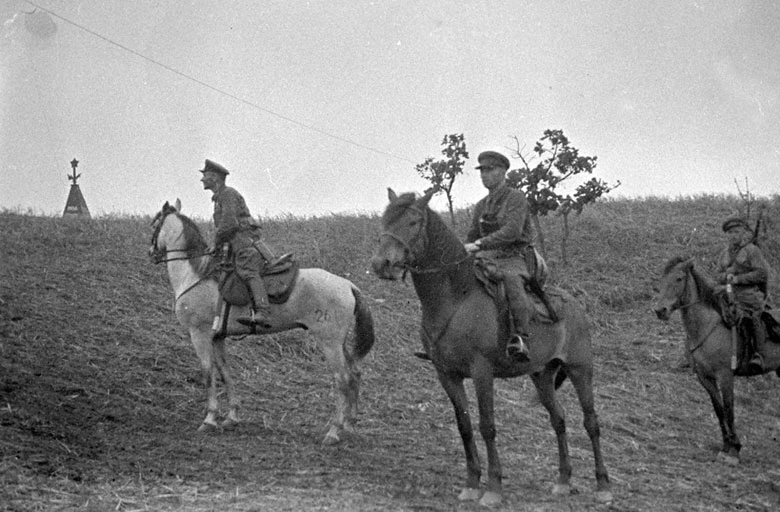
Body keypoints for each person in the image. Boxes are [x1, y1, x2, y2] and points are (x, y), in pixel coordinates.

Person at [464, 150, 542, 363]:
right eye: (482, 171)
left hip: (514, 256)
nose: (484, 175)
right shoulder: (481, 205)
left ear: (503, 172)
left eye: (490, 170)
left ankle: (521, 337)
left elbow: (512, 231)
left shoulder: (516, 198)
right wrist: (463, 249)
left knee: (511, 280)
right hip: (486, 256)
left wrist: (479, 244)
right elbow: (472, 235)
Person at [199, 159, 273, 327]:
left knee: (248, 272)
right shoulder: (220, 197)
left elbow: (229, 224)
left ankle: (263, 312)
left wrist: (216, 243)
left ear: (215, 178)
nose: (202, 180)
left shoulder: (227, 194)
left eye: (205, 176)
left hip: (244, 244)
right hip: (236, 245)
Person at [716, 216, 770, 373]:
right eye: (730, 232)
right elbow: (717, 274)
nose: (733, 235)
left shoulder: (752, 250)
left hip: (749, 295)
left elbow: (762, 274)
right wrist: (725, 277)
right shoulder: (724, 254)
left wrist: (738, 279)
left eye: (736, 232)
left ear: (743, 232)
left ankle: (758, 355)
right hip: (728, 294)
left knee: (753, 318)